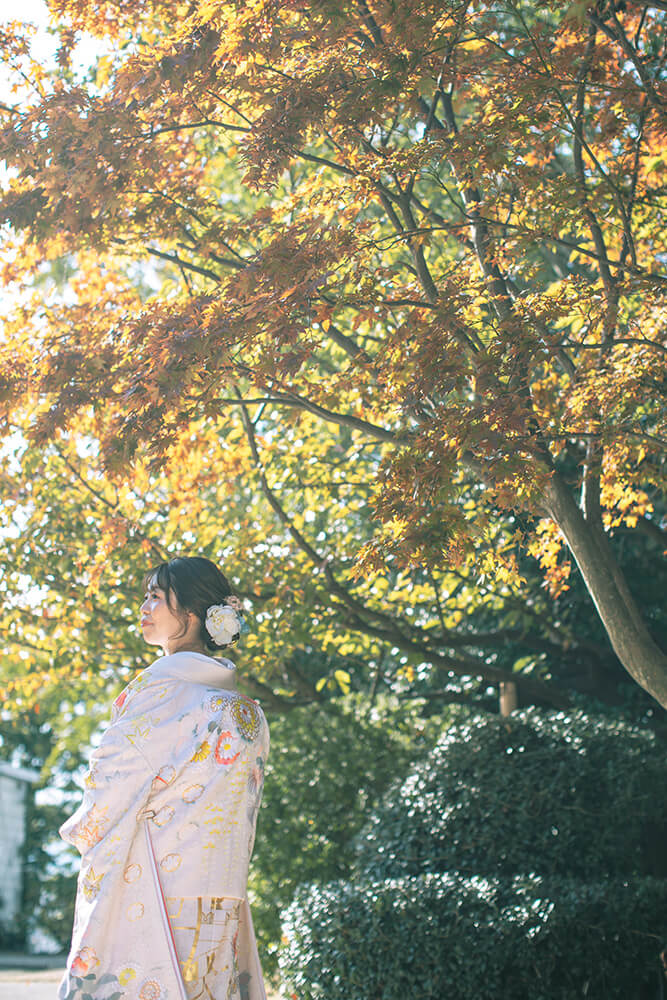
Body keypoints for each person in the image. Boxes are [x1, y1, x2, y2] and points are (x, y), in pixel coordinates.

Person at [57, 556, 270, 1000]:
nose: (144, 605)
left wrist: (82, 831)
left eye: (156, 596)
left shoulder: (162, 697)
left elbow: (106, 790)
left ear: (190, 615)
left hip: (157, 893)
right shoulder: (248, 712)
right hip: (220, 896)